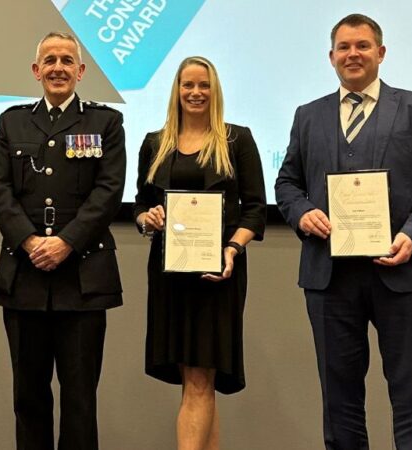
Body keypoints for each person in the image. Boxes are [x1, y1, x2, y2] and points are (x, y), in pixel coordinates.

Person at [275, 14, 412, 450]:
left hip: (405, 272)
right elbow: (287, 183)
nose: (352, 54)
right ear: (331, 57)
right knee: (339, 403)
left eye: (362, 45)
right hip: (330, 277)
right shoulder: (308, 116)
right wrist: (302, 213)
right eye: (343, 47)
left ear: (380, 53)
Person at [0, 31, 126, 450]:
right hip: (24, 278)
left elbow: (109, 191)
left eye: (67, 60)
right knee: (27, 398)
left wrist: (66, 242)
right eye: (50, 60)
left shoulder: (105, 122)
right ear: (36, 71)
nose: (58, 68)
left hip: (82, 279)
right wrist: (29, 241)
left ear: (81, 71)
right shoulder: (13, 121)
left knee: (80, 399)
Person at [134, 56, 266, 450]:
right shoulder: (155, 144)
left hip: (218, 274)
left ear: (215, 91)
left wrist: (232, 248)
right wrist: (148, 218)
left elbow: (256, 208)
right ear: (176, 90)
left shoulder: (236, 140)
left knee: (199, 380)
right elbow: (140, 208)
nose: (195, 93)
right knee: (195, 380)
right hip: (169, 274)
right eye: (188, 85)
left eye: (204, 85)